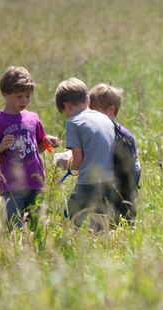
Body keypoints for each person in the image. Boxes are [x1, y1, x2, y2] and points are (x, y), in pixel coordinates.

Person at [0, 66, 59, 229]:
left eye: (27, 96)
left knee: (37, 228)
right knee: (13, 229)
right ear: (5, 94)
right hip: (12, 186)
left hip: (35, 182)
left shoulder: (33, 118)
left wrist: (47, 142)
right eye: (19, 96)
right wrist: (0, 147)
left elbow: (35, 148)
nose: (24, 101)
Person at [54, 78, 119, 230]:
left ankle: (62, 250)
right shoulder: (104, 118)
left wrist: (65, 164)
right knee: (100, 227)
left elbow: (77, 160)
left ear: (66, 106)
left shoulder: (73, 122)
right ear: (88, 99)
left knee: (68, 224)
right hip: (110, 180)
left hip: (89, 182)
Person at [88, 83, 141, 221]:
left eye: (94, 113)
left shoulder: (112, 136)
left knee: (106, 225)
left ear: (111, 110)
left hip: (112, 192)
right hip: (121, 192)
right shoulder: (125, 134)